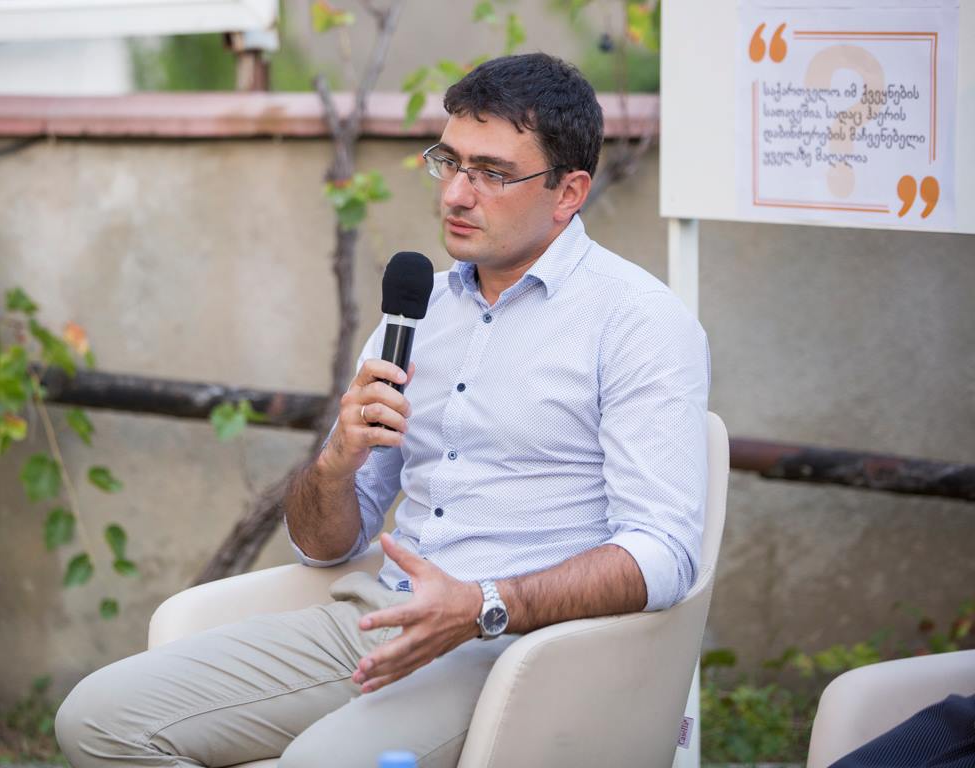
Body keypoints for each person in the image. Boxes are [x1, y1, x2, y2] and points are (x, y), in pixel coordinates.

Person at [55, 53, 710, 768]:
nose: (455, 194)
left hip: (518, 652)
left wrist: (483, 603)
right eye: (449, 162)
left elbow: (664, 553)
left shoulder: (637, 321)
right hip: (376, 618)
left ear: (568, 192)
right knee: (96, 721)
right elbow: (324, 547)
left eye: (491, 173)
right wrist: (336, 463)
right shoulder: (420, 309)